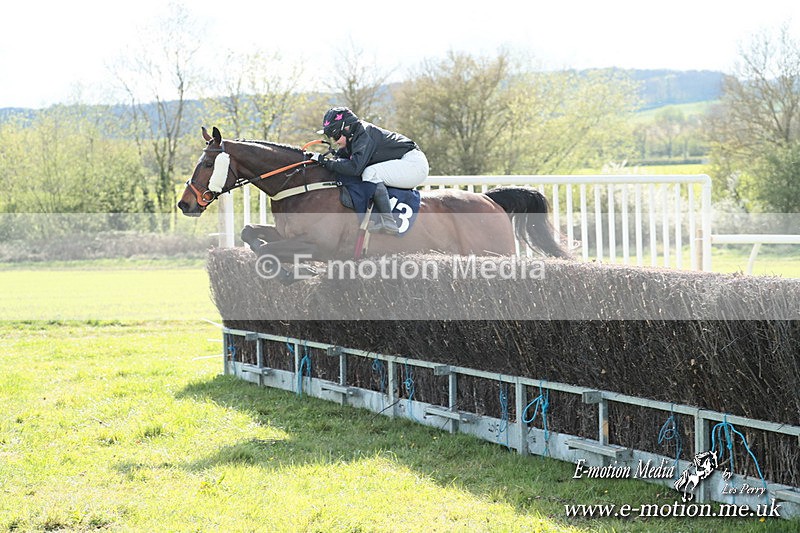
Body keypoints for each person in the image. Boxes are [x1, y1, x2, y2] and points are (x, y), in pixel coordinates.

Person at [306, 107, 428, 234]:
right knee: (369, 172)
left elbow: (355, 168)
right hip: (406, 163)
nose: (335, 141)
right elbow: (340, 162)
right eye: (331, 137)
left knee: (370, 172)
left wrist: (325, 162)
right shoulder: (354, 136)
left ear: (347, 128)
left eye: (336, 136)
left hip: (414, 165)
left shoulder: (364, 134)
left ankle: (389, 222)